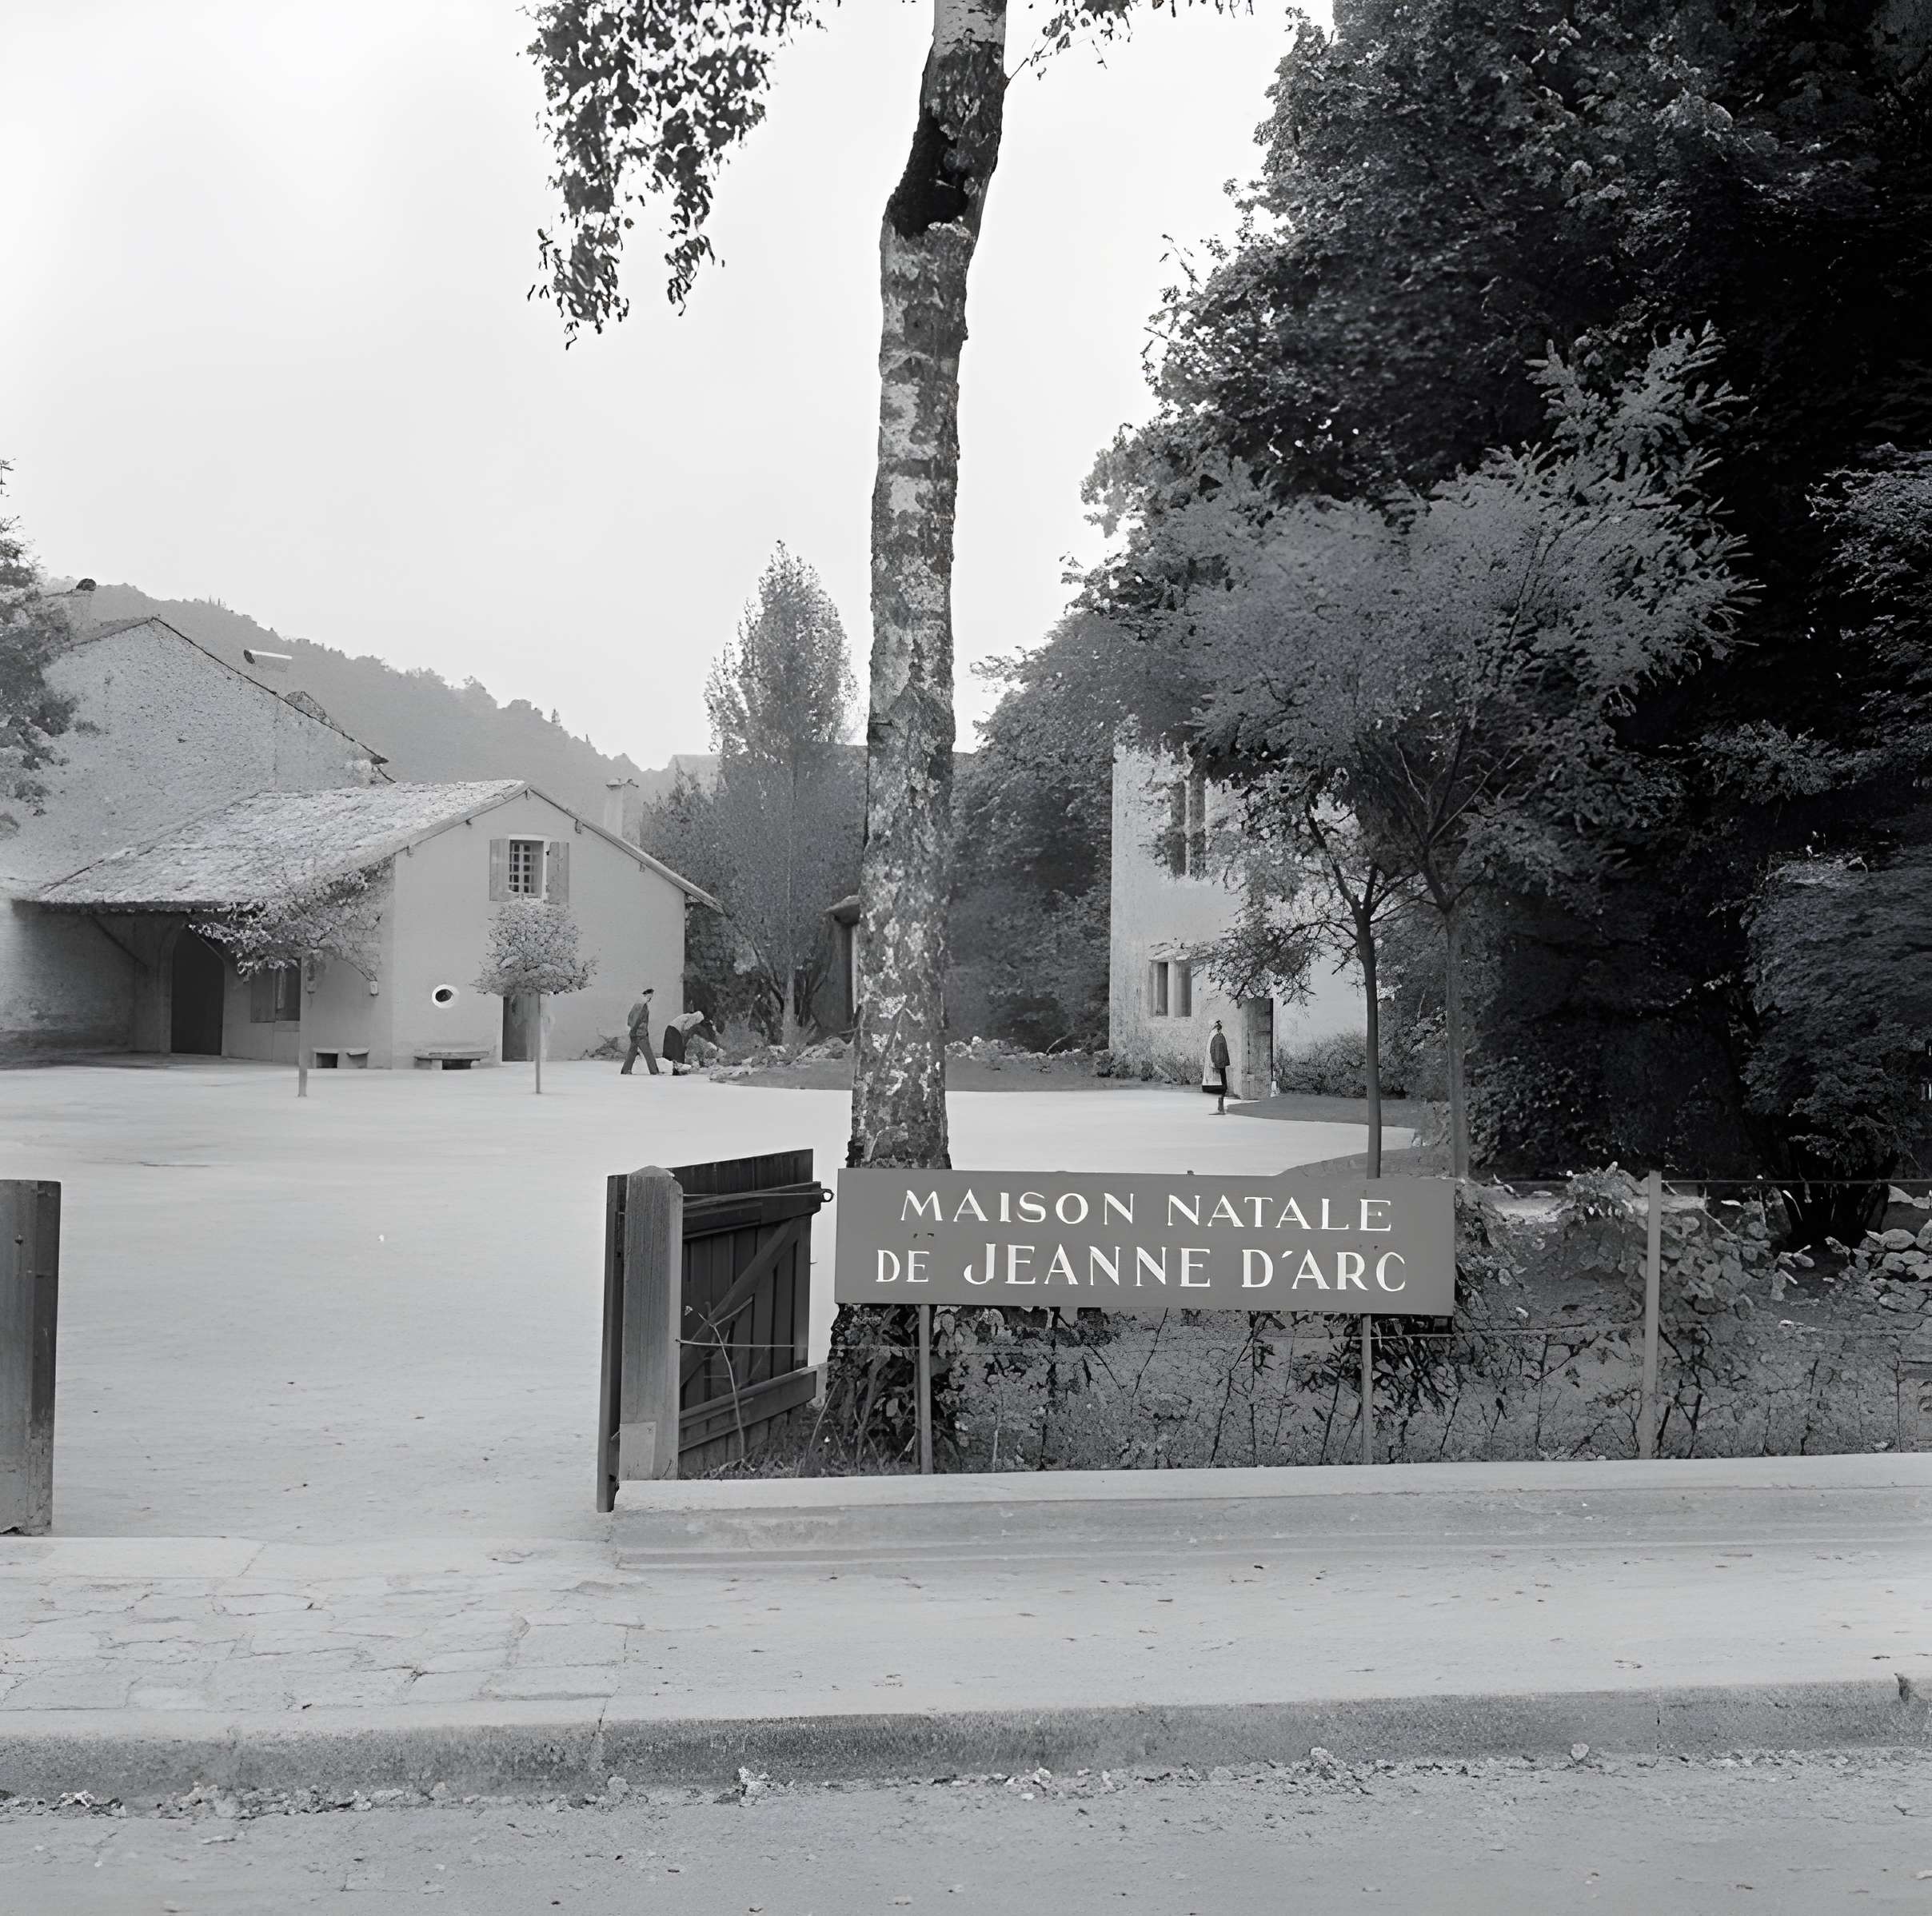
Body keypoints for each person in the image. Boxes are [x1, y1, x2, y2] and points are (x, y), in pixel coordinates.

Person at [619, 987, 659, 1076]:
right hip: (640, 1034)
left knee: (632, 1053)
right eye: (651, 997)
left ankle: (626, 1070)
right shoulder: (642, 1005)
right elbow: (636, 1019)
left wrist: (630, 1028)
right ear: (647, 995)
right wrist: (633, 1028)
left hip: (635, 1033)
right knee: (648, 1053)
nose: (651, 999)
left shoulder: (637, 1004)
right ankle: (654, 1071)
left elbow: (631, 1017)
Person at [1206, 1019, 1232, 1116]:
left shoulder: (1217, 1038)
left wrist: (1214, 1064)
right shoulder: (1221, 1037)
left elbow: (1215, 1052)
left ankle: (1220, 1108)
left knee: (1219, 1084)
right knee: (1222, 1084)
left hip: (1218, 1065)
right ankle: (1220, 1108)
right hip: (1221, 1064)